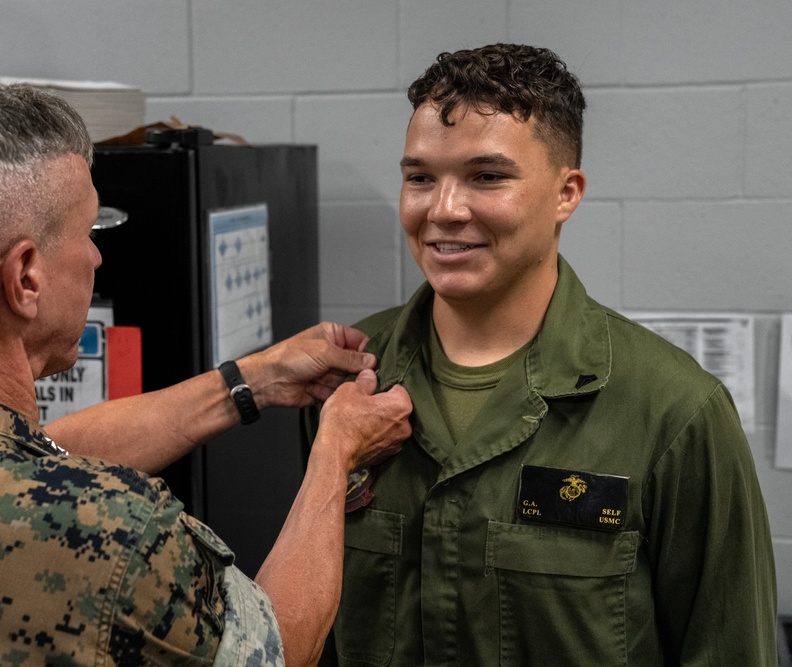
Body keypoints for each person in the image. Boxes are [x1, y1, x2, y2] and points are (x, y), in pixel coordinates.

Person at [0, 80, 413, 666]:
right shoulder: (121, 538)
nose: (96, 254)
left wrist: (251, 380)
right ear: (25, 277)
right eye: (87, 231)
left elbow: (34, 457)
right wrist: (336, 451)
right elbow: (280, 647)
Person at [307, 43, 778, 665]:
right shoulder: (346, 383)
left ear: (566, 193)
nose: (444, 210)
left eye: (488, 176)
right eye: (420, 177)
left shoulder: (674, 411)